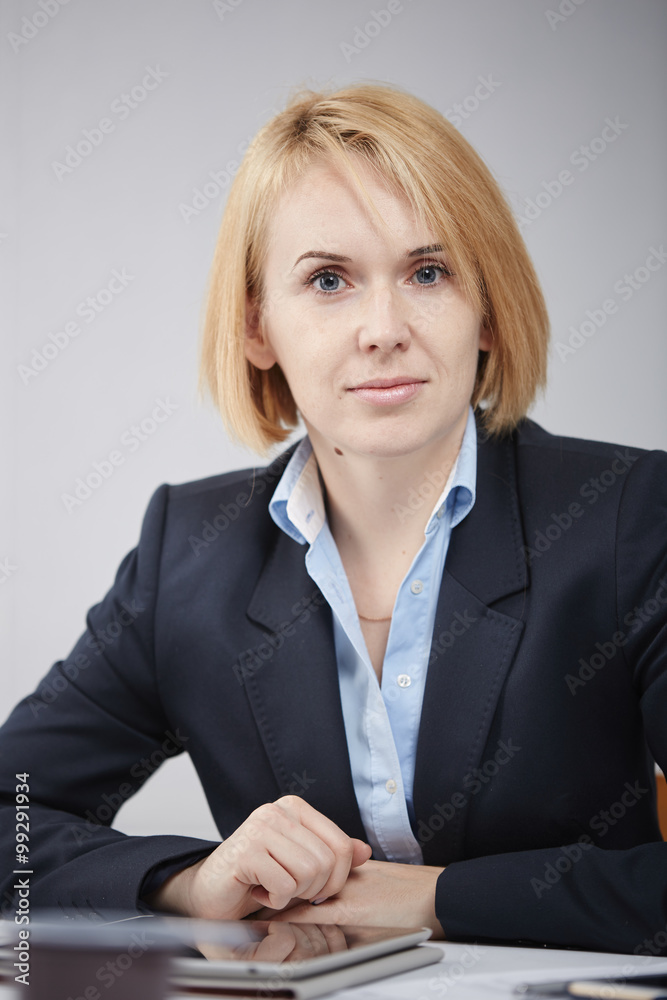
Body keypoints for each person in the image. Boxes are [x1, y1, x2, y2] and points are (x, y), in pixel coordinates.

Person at [1, 82, 666, 956]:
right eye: (327, 280)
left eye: (427, 273)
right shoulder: (188, 557)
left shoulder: (628, 518)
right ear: (256, 327)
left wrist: (434, 898)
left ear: (488, 309)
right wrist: (193, 883)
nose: (382, 328)